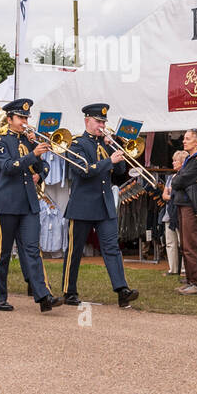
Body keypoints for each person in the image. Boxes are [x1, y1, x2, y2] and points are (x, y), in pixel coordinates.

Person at [59, 102, 141, 308]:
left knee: (112, 248)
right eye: (98, 121)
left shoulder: (107, 143)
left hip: (104, 205)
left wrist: (117, 147)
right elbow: (83, 170)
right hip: (83, 204)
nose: (102, 125)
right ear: (87, 121)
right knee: (75, 250)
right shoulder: (77, 144)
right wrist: (109, 161)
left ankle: (122, 290)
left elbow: (120, 171)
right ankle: (69, 291)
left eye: (104, 121)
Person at [0, 98, 61, 313]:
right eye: (21, 117)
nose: (25, 121)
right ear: (9, 119)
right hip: (7, 203)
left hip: (29, 202)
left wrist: (37, 154)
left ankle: (43, 295)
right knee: (2, 253)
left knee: (32, 250)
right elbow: (8, 167)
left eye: (26, 117)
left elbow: (43, 165)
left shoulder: (29, 139)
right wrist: (33, 154)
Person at [166, 129, 197, 295]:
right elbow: (180, 179)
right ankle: (191, 280)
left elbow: (180, 180)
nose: (184, 141)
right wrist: (178, 179)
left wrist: (178, 179)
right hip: (183, 204)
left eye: (187, 138)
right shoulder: (192, 160)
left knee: (190, 245)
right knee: (185, 244)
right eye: (184, 138)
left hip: (190, 206)